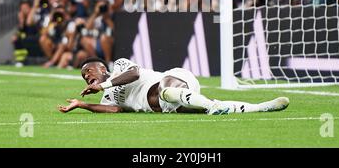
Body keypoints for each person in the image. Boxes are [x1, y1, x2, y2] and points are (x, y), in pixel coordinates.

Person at [58, 57, 290, 115]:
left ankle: (211, 106)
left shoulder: (119, 65)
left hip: (172, 80)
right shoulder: (106, 97)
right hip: (169, 105)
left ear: (101, 68)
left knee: (166, 91)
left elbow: (135, 73)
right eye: (83, 75)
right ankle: (261, 107)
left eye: (89, 70)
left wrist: (104, 85)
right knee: (207, 108)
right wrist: (82, 104)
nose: (86, 75)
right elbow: (115, 109)